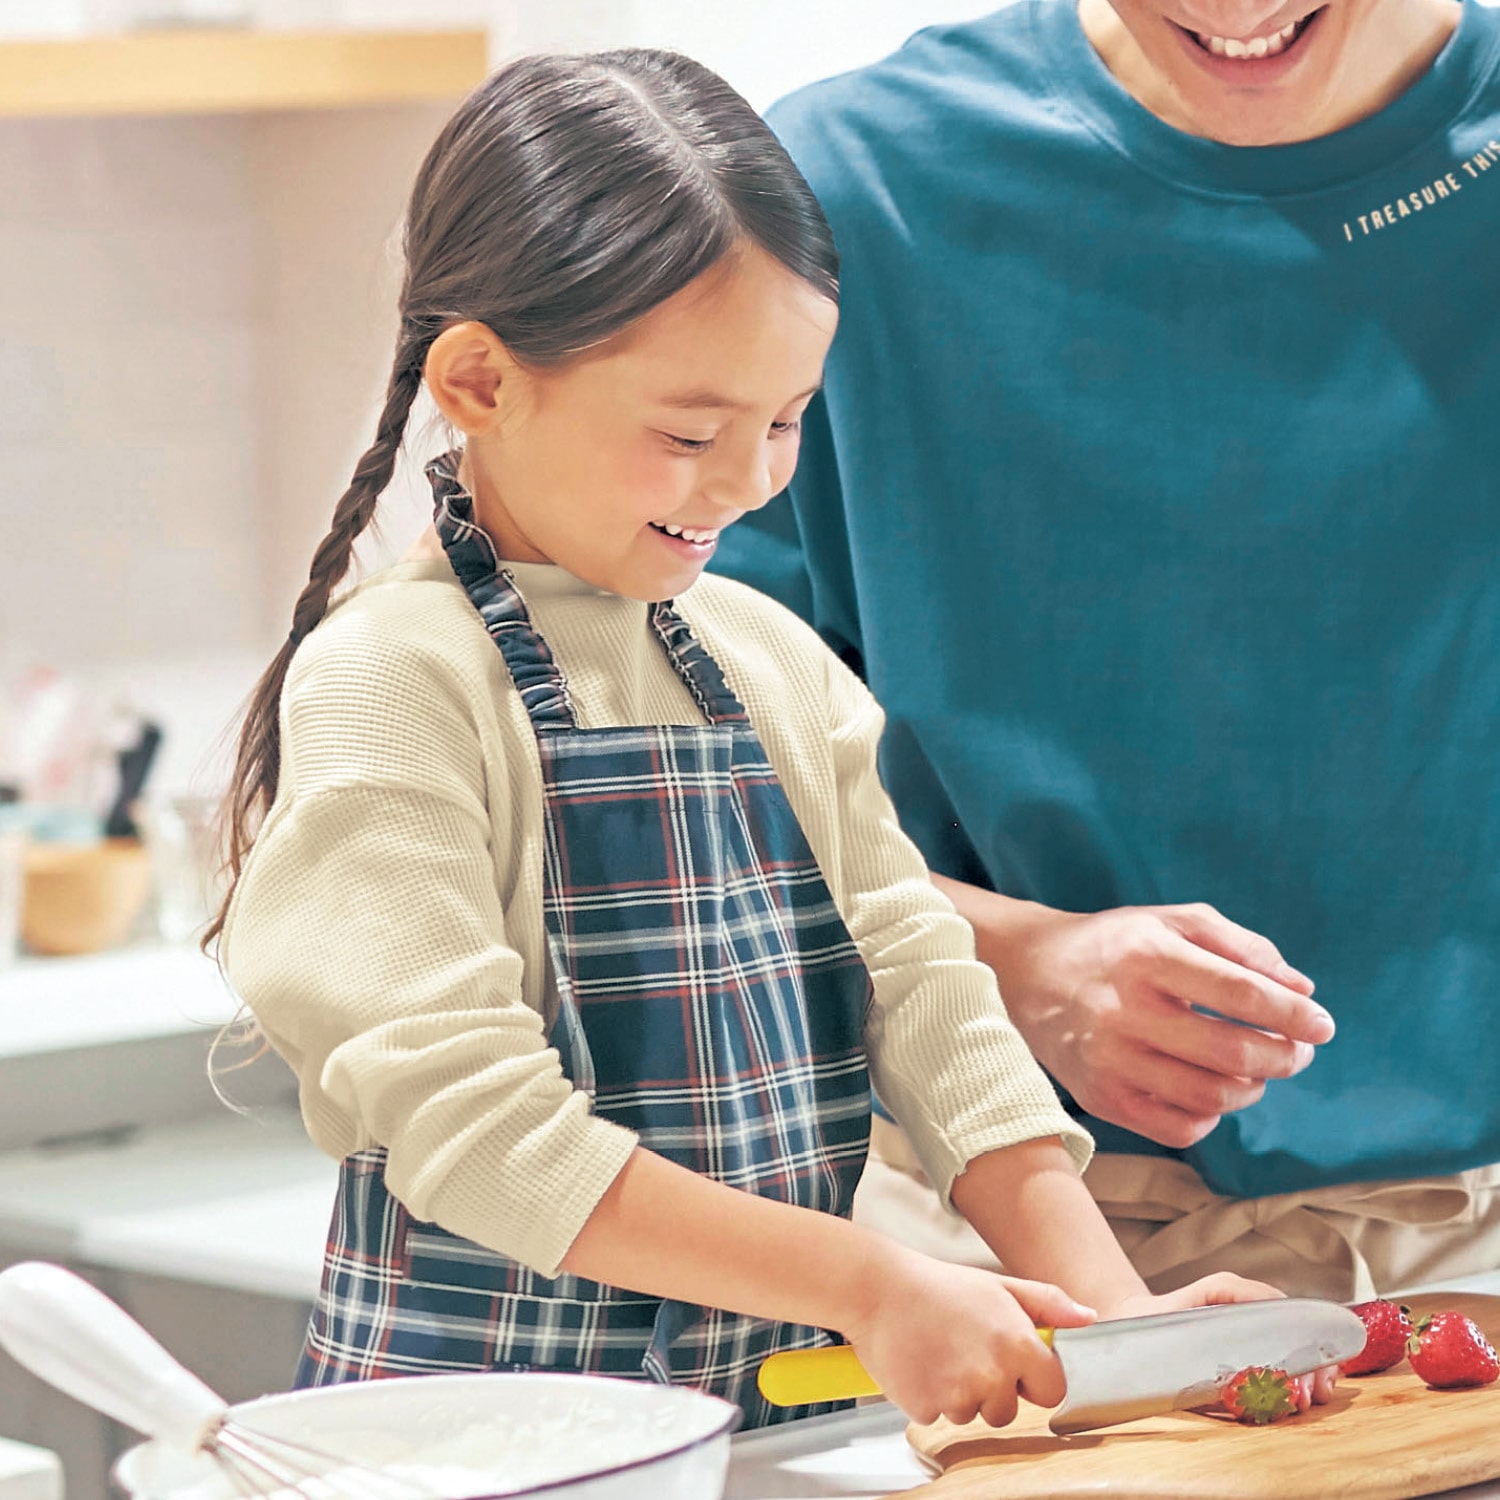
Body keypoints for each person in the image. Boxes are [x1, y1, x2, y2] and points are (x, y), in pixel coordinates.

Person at [207, 48, 1295, 1432]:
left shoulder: (764, 659)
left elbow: (925, 990)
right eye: (687, 431)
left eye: (786, 420)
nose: (750, 480)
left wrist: (1111, 1316)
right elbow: (481, 1138)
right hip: (481, 1446)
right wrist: (874, 1282)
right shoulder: (395, 683)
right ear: (478, 380)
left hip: (762, 1435)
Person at [712, 0, 1500, 1304]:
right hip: (1018, 1260)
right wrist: (1012, 960)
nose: (1239, 10)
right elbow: (669, 799)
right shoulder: (851, 196)